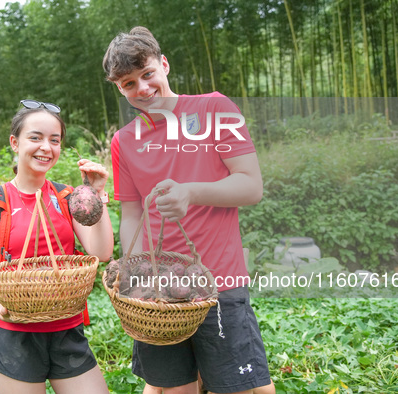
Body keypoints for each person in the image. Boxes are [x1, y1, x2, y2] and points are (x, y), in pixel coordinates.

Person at [103, 27, 276, 394]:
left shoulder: (214, 108)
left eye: (147, 74)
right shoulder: (124, 141)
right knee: (172, 387)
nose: (143, 89)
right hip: (158, 292)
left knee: (243, 387)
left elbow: (251, 185)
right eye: (128, 84)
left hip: (220, 282)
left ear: (163, 64)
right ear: (119, 88)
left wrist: (191, 193)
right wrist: (135, 281)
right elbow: (132, 215)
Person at [0, 99, 113, 394]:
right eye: (35, 137)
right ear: (14, 142)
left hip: (66, 329)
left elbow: (102, 252)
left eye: (54, 140)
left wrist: (95, 195)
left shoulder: (67, 197)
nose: (46, 147)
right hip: (14, 335)